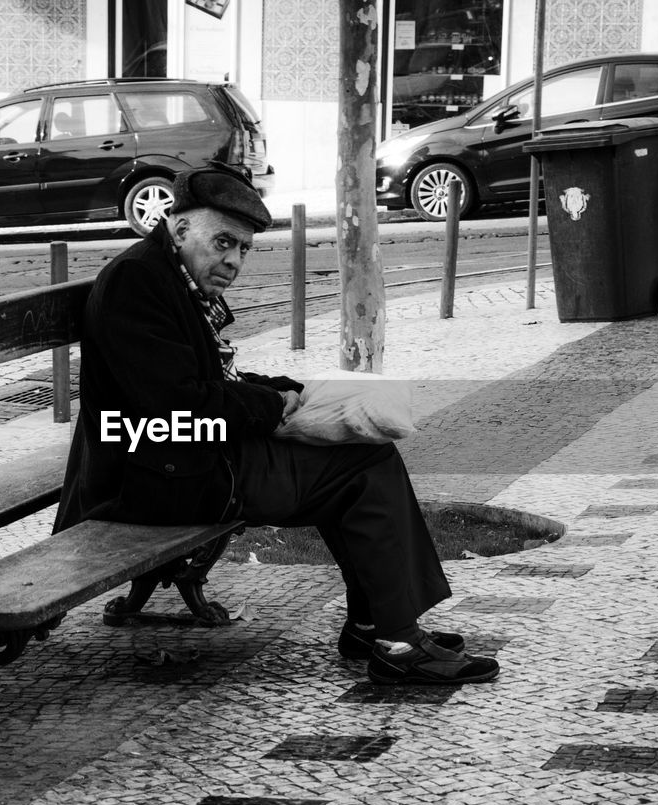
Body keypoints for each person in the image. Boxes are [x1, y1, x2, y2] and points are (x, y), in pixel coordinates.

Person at [53, 162, 498, 686]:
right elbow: (174, 403)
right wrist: (271, 407)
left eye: (242, 248)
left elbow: (213, 376)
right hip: (153, 470)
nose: (233, 261)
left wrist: (284, 389)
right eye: (223, 243)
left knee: (361, 452)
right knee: (361, 464)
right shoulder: (137, 283)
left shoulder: (169, 274)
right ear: (180, 229)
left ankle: (376, 622)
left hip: (183, 455)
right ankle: (392, 636)